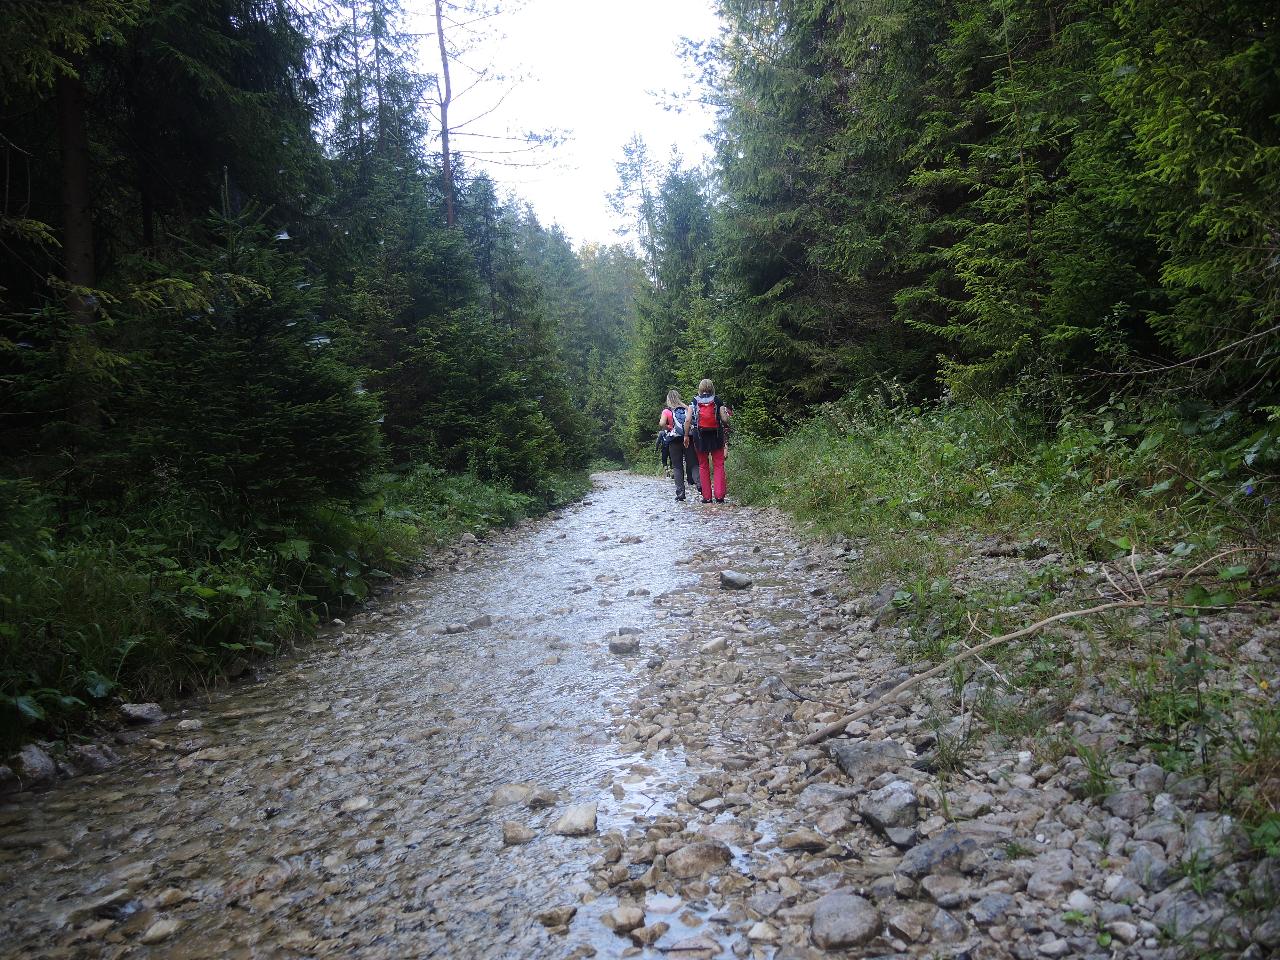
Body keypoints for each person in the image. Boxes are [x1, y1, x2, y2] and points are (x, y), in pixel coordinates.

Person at [689, 379, 731, 503]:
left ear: (700, 388)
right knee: (718, 465)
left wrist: (686, 435)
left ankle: (707, 497)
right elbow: (724, 418)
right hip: (716, 435)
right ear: (712, 388)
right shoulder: (717, 400)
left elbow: (688, 419)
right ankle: (719, 496)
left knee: (703, 466)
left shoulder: (694, 401)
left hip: (700, 436)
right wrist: (726, 423)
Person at [659, 389, 698, 501]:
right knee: (693, 463)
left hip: (674, 440)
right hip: (687, 437)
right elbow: (692, 419)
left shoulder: (667, 411)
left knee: (677, 467)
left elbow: (661, 423)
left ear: (668, 399)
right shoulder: (685, 408)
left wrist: (669, 428)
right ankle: (701, 486)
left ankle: (680, 493)